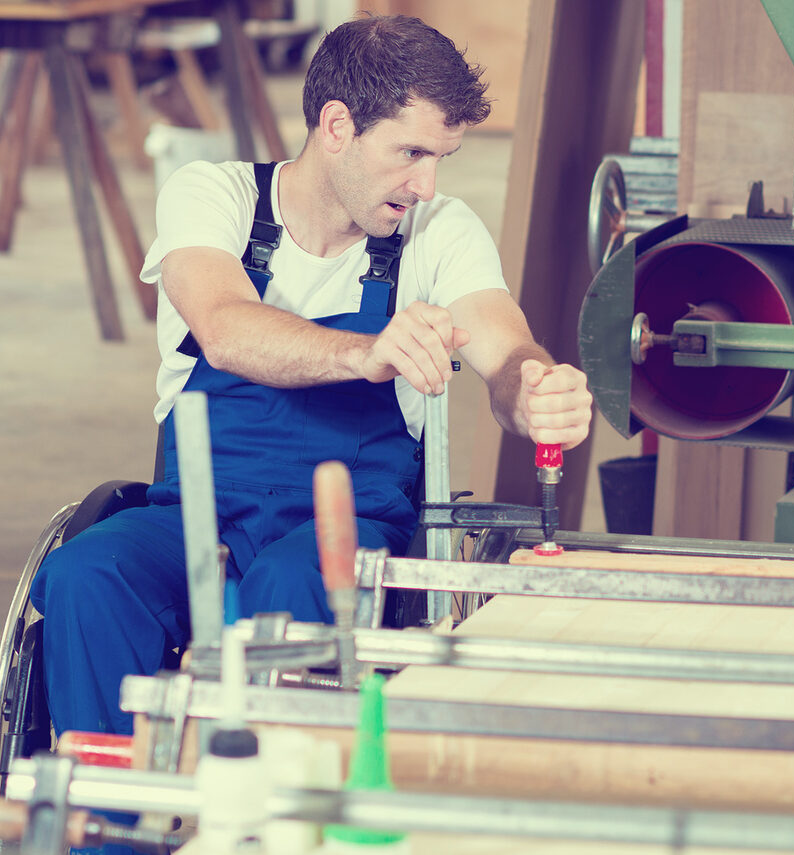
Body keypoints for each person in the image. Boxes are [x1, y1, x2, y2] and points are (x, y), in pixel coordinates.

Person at [31, 14, 593, 741]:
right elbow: (226, 328)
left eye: (441, 158)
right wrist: (362, 354)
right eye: (411, 153)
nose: (426, 184)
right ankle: (105, 825)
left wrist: (534, 389)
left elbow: (503, 344)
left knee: (293, 585)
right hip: (197, 515)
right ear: (336, 126)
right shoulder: (214, 197)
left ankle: (274, 820)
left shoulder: (439, 232)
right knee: (87, 576)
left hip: (348, 524)